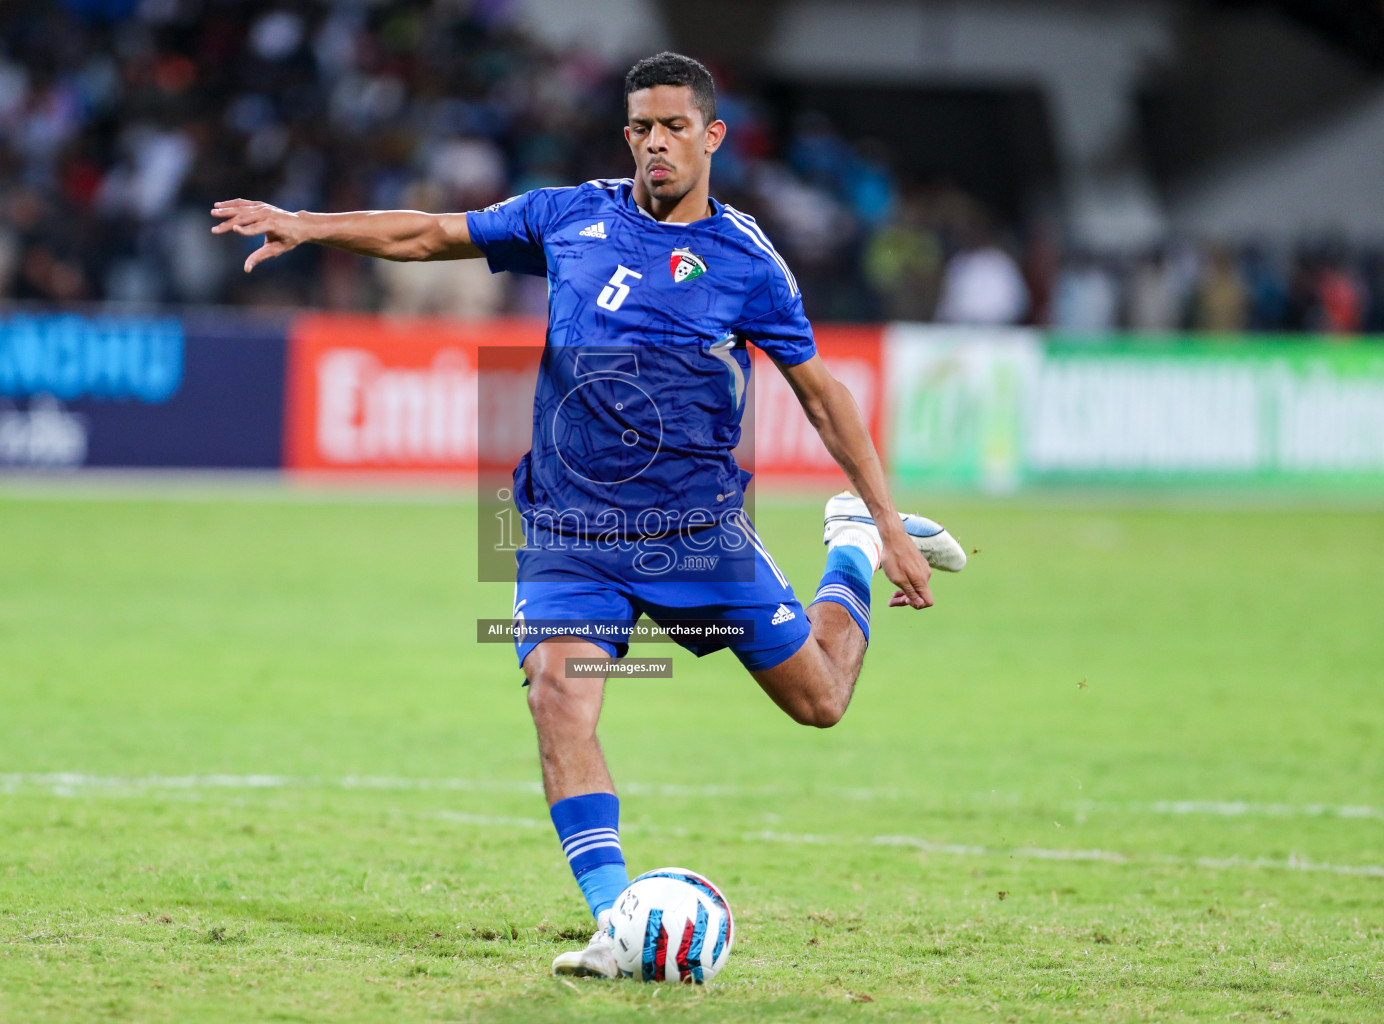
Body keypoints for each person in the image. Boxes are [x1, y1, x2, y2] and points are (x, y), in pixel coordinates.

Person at [211, 52, 966, 978]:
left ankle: (841, 543)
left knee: (820, 701)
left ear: (712, 137)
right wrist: (308, 225)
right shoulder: (570, 215)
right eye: (642, 127)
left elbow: (822, 396)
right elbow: (428, 236)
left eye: (675, 127)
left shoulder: (747, 263)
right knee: (556, 695)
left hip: (694, 532)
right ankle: (619, 925)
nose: (656, 143)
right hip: (570, 531)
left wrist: (886, 525)